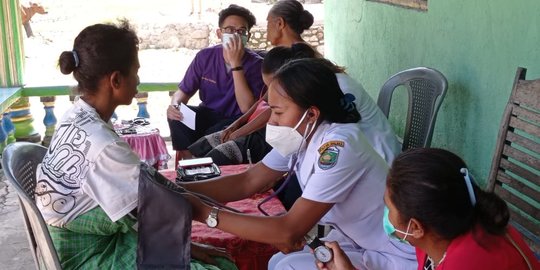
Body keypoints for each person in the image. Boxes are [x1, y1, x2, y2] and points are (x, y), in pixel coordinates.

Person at [35, 21, 237, 270]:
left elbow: (145, 203)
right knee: (220, 267)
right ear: (116, 80)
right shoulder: (104, 146)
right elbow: (160, 207)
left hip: (73, 242)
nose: (139, 79)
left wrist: (188, 245)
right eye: (136, 71)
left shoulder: (74, 115)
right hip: (87, 256)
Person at [183, 58, 417, 270]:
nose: (272, 121)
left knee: (288, 268)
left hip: (394, 254)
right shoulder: (301, 136)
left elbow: (287, 231)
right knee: (278, 262)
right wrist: (175, 190)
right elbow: (249, 180)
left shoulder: (339, 147)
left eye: (278, 112)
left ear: (312, 114)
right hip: (358, 242)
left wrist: (204, 212)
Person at [318, 148, 539, 270]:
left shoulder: (467, 261)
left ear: (415, 227)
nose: (387, 216)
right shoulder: (441, 231)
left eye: (388, 208)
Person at [167, 4, 266, 161]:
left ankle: (201, 162)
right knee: (176, 117)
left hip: (235, 120)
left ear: (248, 36)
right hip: (207, 113)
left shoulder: (257, 64)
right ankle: (188, 160)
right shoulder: (205, 56)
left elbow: (247, 108)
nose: (235, 35)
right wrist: (175, 104)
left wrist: (236, 64)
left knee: (214, 133)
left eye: (241, 31)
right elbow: (183, 91)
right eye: (230, 30)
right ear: (219, 33)